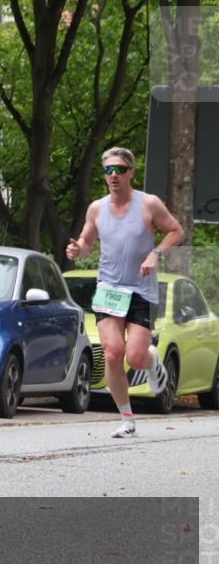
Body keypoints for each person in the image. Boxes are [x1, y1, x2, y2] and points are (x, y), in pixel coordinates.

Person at [66, 147, 185, 438]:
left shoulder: (149, 204)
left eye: (119, 169)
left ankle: (152, 361)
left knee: (135, 357)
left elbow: (176, 231)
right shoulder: (97, 208)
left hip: (140, 289)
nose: (114, 175)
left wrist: (155, 253)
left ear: (131, 172)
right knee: (112, 353)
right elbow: (87, 240)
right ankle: (127, 418)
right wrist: (78, 249)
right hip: (108, 287)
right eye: (108, 170)